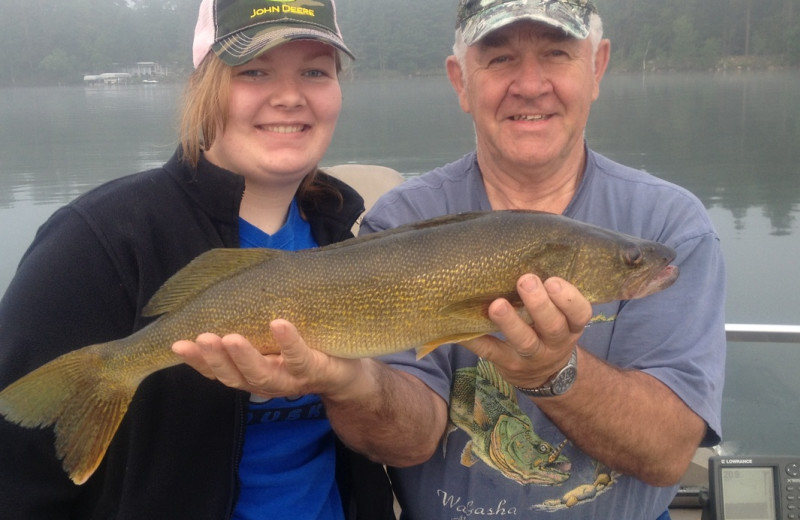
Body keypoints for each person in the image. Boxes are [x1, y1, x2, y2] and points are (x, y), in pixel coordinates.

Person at [173, 0, 726, 518]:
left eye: (557, 54)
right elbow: (407, 440)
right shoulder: (402, 217)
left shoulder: (669, 223)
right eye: (500, 58)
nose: (530, 85)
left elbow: (667, 455)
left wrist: (556, 371)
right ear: (461, 81)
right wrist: (345, 381)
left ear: (597, 68)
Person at [0, 0, 395, 518]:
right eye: (254, 70)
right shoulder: (97, 241)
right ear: (203, 87)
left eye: (315, 71)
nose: (290, 96)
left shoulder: (353, 231)